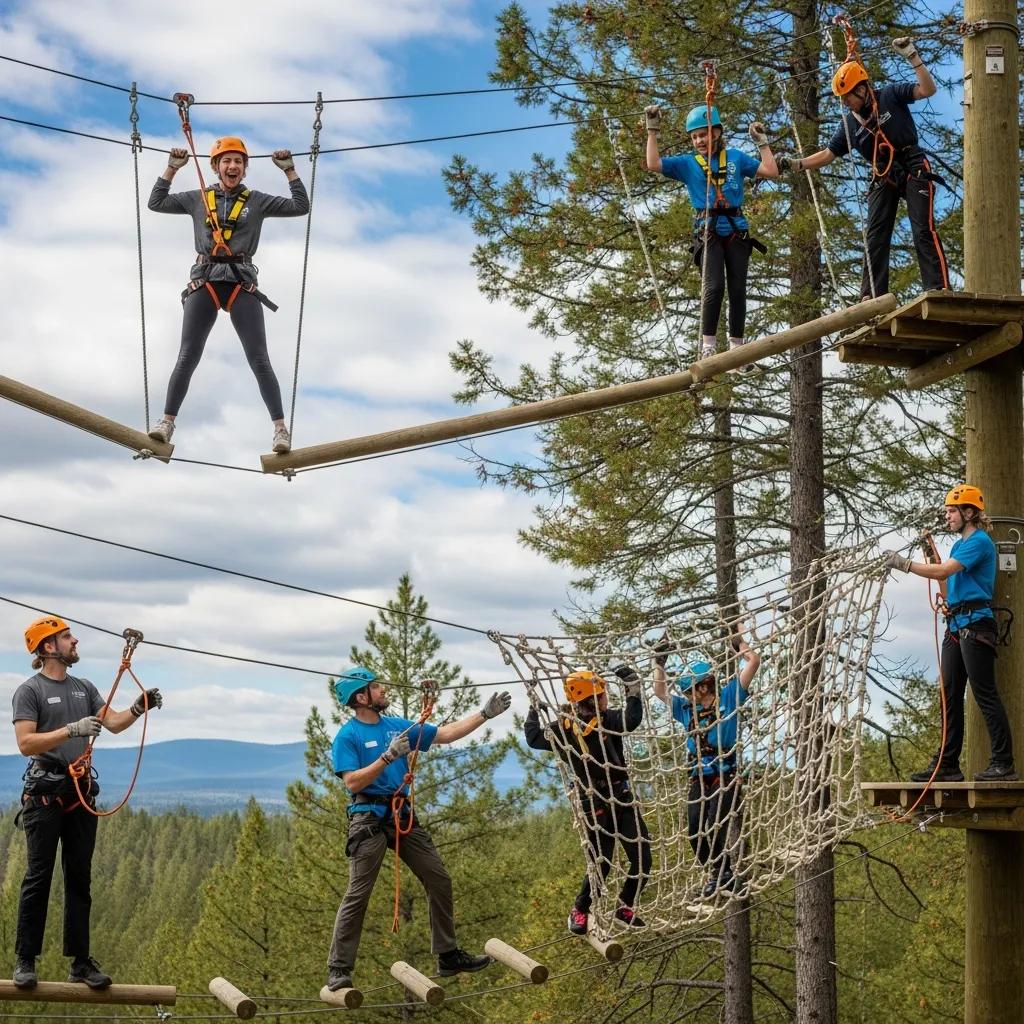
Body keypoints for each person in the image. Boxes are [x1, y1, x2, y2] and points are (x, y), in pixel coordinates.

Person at [325, 666, 511, 992]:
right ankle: (339, 969)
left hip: (401, 815)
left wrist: (484, 714)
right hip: (368, 817)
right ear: (361, 697)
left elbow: (445, 734)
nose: (383, 691)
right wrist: (386, 758)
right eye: (377, 687)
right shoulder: (348, 736)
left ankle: (447, 954)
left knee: (438, 878)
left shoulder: (397, 727)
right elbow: (352, 781)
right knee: (358, 893)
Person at [10, 617, 163, 990]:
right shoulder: (29, 691)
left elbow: (113, 723)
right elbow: (26, 743)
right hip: (45, 792)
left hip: (78, 793)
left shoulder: (84, 687)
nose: (74, 640)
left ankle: (80, 962)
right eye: (66, 637)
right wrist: (71, 730)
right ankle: (26, 959)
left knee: (79, 878)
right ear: (48, 647)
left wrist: (139, 708)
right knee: (38, 877)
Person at [147, 137, 310, 453]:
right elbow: (156, 202)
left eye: (238, 162)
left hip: (240, 281)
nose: (232, 167)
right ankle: (166, 422)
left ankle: (280, 430)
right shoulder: (199, 198)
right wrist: (172, 168)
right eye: (226, 161)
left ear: (245, 168)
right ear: (215, 166)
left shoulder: (257, 201)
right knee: (188, 354)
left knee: (259, 357)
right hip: (205, 279)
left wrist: (289, 170)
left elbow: (300, 207)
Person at [776, 37, 949, 300]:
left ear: (863, 89)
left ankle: (938, 289)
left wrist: (913, 56)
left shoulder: (890, 95)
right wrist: (796, 164)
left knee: (922, 229)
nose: (846, 104)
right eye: (843, 100)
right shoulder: (850, 125)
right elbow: (827, 155)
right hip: (883, 174)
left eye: (848, 99)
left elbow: (927, 90)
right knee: (875, 236)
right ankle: (871, 296)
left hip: (912, 164)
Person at [885, 484, 1017, 782]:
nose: (947, 516)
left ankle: (1003, 762)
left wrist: (903, 564)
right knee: (949, 696)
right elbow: (947, 584)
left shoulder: (980, 542)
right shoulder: (959, 546)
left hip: (976, 625)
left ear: (969, 513)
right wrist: (946, 596)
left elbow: (944, 573)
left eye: (952, 511)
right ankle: (947, 764)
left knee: (984, 693)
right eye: (947, 511)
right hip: (957, 624)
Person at [645, 104, 779, 359]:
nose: (699, 141)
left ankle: (737, 348)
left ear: (716, 132)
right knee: (714, 286)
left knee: (738, 289)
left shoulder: (736, 158)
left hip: (736, 230)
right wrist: (652, 131)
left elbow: (770, 171)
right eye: (695, 137)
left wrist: (763, 144)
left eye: (703, 134)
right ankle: (708, 346)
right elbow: (653, 164)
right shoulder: (687, 163)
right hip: (708, 231)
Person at [524, 668, 651, 935]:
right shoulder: (566, 728)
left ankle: (624, 905)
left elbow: (632, 719)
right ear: (593, 698)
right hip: (595, 801)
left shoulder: (608, 720)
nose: (606, 698)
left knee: (642, 857)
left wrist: (633, 689)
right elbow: (535, 738)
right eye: (603, 694)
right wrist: (534, 709)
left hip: (621, 796)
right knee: (601, 860)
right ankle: (580, 909)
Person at [653, 631, 760, 897]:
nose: (687, 696)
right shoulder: (686, 710)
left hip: (726, 775)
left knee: (715, 823)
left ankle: (724, 875)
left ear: (704, 686)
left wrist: (740, 645)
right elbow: (659, 692)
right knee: (694, 830)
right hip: (699, 775)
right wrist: (659, 662)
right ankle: (719, 874)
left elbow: (754, 662)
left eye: (690, 690)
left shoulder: (729, 697)